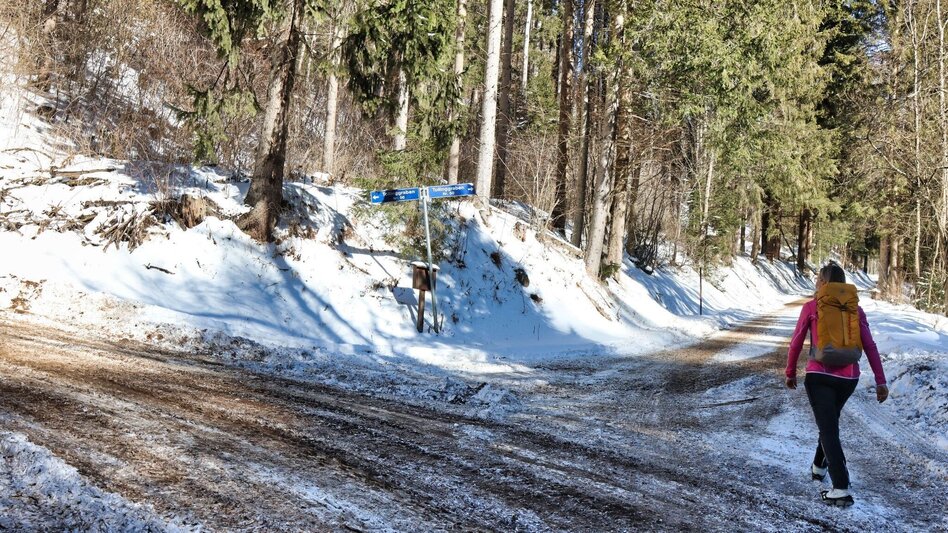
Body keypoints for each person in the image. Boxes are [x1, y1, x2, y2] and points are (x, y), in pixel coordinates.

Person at [785, 262, 888, 507]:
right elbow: (870, 346)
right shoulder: (855, 310)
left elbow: (796, 342)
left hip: (819, 376)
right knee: (829, 422)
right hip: (848, 378)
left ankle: (840, 486)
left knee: (829, 428)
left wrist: (790, 372)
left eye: (818, 279)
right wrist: (880, 380)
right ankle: (819, 467)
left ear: (822, 282)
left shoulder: (812, 306)